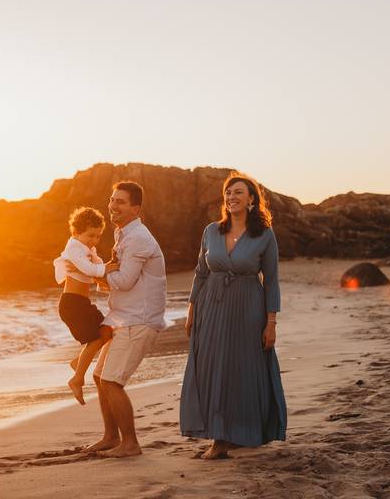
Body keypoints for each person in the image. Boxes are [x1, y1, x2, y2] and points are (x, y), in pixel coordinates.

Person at [180, 172, 287, 459]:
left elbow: (271, 280)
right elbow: (201, 273)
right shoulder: (211, 231)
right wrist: (191, 309)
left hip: (248, 309)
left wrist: (271, 323)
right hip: (211, 307)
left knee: (242, 370)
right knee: (213, 368)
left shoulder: (264, 235)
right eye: (228, 193)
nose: (231, 197)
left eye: (238, 192)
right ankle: (219, 437)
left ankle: (239, 434)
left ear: (252, 199)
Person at [79, 181, 167, 458]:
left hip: (138, 320)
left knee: (111, 382)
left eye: (120, 202)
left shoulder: (138, 238)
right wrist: (103, 274)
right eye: (112, 200)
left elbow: (125, 280)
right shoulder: (124, 234)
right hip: (122, 318)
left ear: (136, 208)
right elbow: (121, 279)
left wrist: (97, 273)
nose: (113, 206)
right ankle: (110, 437)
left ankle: (130, 443)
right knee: (99, 377)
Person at [54, 207, 117, 405]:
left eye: (98, 236)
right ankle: (77, 378)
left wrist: (107, 268)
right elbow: (92, 269)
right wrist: (107, 268)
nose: (94, 240)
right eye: (90, 235)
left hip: (82, 303)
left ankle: (78, 363)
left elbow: (97, 267)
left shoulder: (87, 249)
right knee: (97, 337)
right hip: (72, 304)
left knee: (107, 332)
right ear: (76, 232)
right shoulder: (74, 247)